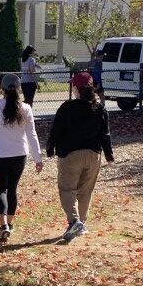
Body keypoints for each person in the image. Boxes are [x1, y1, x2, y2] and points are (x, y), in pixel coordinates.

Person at [45, 70, 114, 242]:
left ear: (76, 88)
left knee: (67, 189)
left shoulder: (67, 107)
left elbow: (56, 130)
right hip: (93, 155)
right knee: (85, 191)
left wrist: (50, 148)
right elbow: (105, 134)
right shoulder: (100, 108)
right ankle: (81, 223)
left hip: (70, 154)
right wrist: (109, 155)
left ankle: (74, 221)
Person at [0, 74, 43, 242]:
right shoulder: (25, 108)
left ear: (2, 89)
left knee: (0, 189)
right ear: (19, 89)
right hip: (18, 154)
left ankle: (3, 225)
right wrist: (37, 157)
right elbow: (32, 134)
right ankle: (10, 222)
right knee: (12, 188)